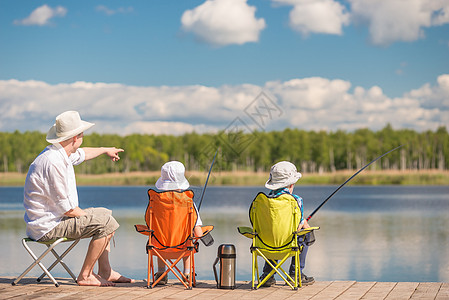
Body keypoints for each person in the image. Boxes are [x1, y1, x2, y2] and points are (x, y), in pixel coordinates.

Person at [23, 110, 133, 287]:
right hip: (48, 227)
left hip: (54, 220)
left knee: (105, 214)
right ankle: (86, 275)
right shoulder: (53, 162)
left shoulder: (59, 153)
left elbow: (84, 153)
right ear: (75, 137)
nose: (83, 138)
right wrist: (92, 218)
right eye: (81, 134)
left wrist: (106, 150)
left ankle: (105, 271)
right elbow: (68, 209)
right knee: (106, 222)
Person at [260, 161, 315, 287]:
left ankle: (267, 274)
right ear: (292, 183)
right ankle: (295, 273)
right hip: (288, 243)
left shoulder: (264, 201)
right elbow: (301, 226)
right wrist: (306, 225)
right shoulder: (296, 201)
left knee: (273, 234)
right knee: (305, 234)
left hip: (265, 244)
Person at [153, 161, 203, 285]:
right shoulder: (189, 203)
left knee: (159, 234)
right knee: (189, 237)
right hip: (183, 248)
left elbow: (150, 226)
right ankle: (187, 274)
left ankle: (161, 274)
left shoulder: (155, 202)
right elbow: (199, 234)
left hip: (159, 248)